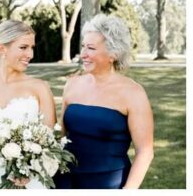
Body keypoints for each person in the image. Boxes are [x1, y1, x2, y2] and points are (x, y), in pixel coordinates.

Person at [56, 15, 154, 189]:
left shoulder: (133, 93)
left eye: (91, 48)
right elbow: (60, 137)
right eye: (83, 47)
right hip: (65, 181)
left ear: (113, 54)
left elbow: (145, 152)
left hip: (108, 184)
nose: (83, 54)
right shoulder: (72, 84)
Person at [0, 20, 56, 189]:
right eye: (23, 47)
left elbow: (50, 140)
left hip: (28, 181)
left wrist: (31, 171)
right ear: (2, 48)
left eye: (32, 48)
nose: (30, 55)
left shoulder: (40, 88)